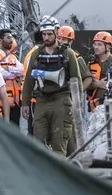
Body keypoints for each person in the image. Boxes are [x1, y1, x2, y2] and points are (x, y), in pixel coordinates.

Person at [20, 16, 87, 155]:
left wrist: (76, 104)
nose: (46, 38)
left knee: (59, 143)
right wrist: (25, 103)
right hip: (42, 101)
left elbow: (76, 80)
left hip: (61, 100)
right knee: (39, 143)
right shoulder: (36, 54)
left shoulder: (67, 53)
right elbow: (28, 80)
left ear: (56, 32)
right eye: (44, 34)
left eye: (49, 34)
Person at [0, 28, 24, 124]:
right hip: (0, 103)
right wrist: (14, 73)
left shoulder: (12, 57)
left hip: (16, 103)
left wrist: (9, 69)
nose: (11, 40)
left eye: (11, 38)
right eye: (8, 38)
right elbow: (0, 74)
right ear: (0, 40)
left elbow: (22, 70)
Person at [86, 31, 112, 112]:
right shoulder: (90, 64)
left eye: (99, 44)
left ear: (108, 47)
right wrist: (97, 84)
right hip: (95, 107)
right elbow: (83, 84)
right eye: (95, 44)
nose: (96, 47)